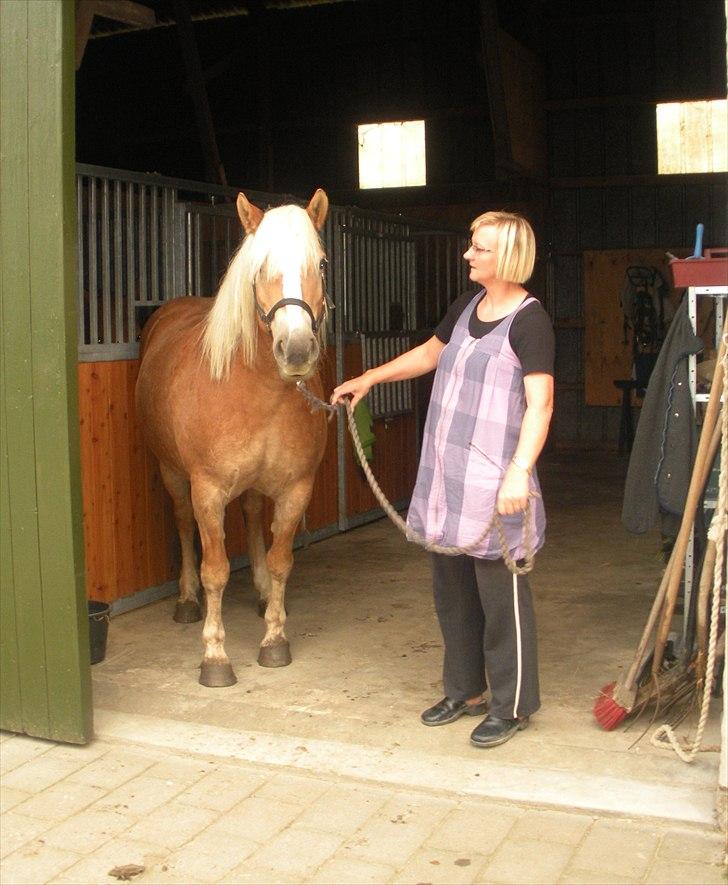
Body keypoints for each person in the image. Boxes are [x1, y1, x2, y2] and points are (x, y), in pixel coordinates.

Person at [331, 211, 554, 748]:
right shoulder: (466, 306)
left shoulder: (530, 322)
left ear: (507, 257)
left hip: (496, 485)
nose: (468, 255)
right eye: (471, 245)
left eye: (480, 248)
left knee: (501, 602)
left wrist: (519, 472)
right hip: (447, 478)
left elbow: (541, 404)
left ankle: (512, 705)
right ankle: (465, 691)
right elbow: (431, 354)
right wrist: (369, 378)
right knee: (452, 595)